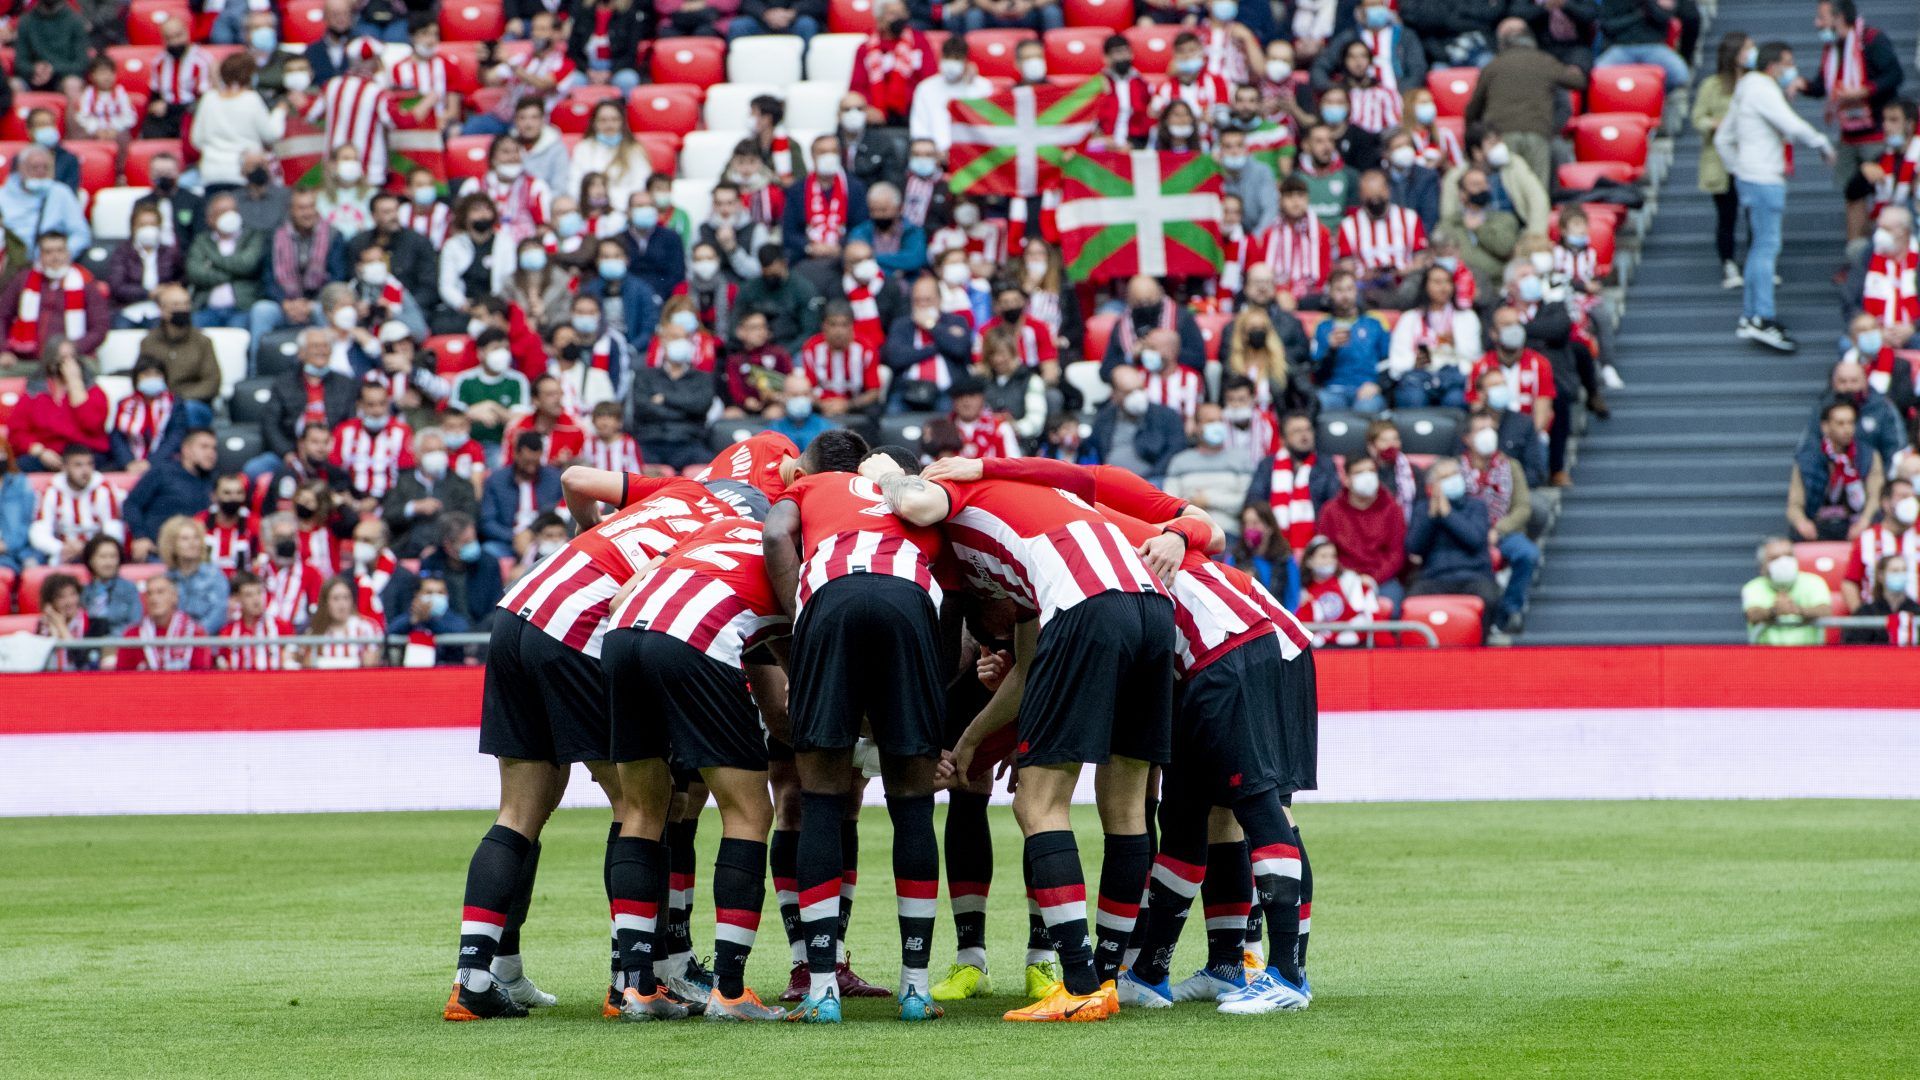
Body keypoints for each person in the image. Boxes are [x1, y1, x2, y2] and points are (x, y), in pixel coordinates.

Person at [446, 431, 816, 1022]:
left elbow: (574, 480)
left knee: (520, 810)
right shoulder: (755, 525)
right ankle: (633, 981)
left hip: (523, 606)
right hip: (590, 626)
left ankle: (483, 974)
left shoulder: (682, 489)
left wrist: (581, 535)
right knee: (644, 803)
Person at [881, 454, 1176, 1023]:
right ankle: (1109, 979)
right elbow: (1028, 662)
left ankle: (1081, 984)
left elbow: (916, 500)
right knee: (1127, 806)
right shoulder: (1025, 523)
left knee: (1036, 803)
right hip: (1152, 612)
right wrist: (972, 741)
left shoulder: (957, 495)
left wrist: (883, 475)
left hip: (1087, 606)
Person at [1716, 42, 1836, 353]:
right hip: (1764, 179)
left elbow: (1722, 138)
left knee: (1760, 246)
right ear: (1773, 67)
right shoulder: (1762, 88)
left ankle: (1750, 315)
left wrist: (1739, 168)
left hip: (1751, 177)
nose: (1791, 70)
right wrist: (1822, 143)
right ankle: (1763, 318)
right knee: (1767, 247)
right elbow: (1791, 125)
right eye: (1788, 63)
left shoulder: (1746, 88)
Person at [1804, 0, 1905, 255]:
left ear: (1839, 17)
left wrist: (1863, 91)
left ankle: (1887, 250)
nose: (1817, 24)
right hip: (1849, 135)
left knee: (1886, 192)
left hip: (1877, 132)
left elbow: (1894, 75)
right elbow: (1821, 86)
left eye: (1822, 17)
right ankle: (1857, 256)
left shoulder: (1870, 39)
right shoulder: (1833, 49)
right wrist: (1801, 85)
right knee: (1853, 192)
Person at [1463, 21, 1586, 185]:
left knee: (1507, 188)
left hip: (1502, 134)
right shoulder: (1545, 61)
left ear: (1504, 44)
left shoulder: (1493, 66)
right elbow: (1578, 82)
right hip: (1537, 132)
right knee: (1537, 188)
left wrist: (1474, 136)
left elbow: (1473, 109)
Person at [1405, 457, 1503, 638]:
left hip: (1474, 576)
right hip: (1434, 578)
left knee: (1489, 598)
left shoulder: (1476, 505)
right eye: (1444, 477)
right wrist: (1432, 517)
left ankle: (1482, 647)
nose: (1452, 480)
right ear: (1433, 486)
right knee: (1411, 602)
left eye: (1454, 474)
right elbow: (1415, 547)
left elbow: (1474, 539)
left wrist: (1447, 514)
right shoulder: (1423, 509)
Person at [1460, 411, 1537, 633]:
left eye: (1491, 430)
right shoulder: (1456, 468)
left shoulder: (1510, 466)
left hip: (1503, 532)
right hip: (1466, 535)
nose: (1488, 435)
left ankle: (1509, 611)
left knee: (1527, 554)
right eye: (1481, 430)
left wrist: (1498, 530)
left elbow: (1523, 507)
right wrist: (1473, 532)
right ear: (1467, 438)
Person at [1695, 33, 1754, 289]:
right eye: (1748, 48)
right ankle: (1729, 264)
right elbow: (1698, 118)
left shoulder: (1756, 83)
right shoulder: (1712, 85)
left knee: (1756, 215)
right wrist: (1717, 125)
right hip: (1721, 160)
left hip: (1752, 159)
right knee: (1727, 216)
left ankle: (1756, 264)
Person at [1316, 454, 1407, 613]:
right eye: (1360, 472)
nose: (1367, 477)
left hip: (1383, 580)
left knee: (1393, 609)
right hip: (1342, 577)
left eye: (1371, 471)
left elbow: (1396, 555)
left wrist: (1373, 579)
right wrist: (1351, 578)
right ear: (1347, 479)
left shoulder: (1392, 508)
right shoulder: (1330, 511)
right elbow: (1324, 552)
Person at [0, 232, 109, 363]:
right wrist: (4, 350)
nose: (55, 257)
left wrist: (74, 348)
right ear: (40, 256)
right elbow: (2, 315)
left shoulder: (85, 282)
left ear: (68, 253)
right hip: (25, 359)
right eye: (48, 252)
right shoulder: (23, 280)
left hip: (73, 358)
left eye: (60, 251)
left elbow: (99, 327)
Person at [1790, 399, 1883, 542]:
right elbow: (1794, 504)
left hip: (1855, 522)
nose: (1847, 429)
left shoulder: (1868, 456)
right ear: (1825, 427)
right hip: (1818, 523)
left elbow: (1875, 496)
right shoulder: (1808, 459)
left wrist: (1864, 522)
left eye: (1851, 422)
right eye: (1840, 423)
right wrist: (1802, 523)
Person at [192, 53, 285, 191]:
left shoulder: (208, 99)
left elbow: (196, 140)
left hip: (211, 173)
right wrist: (279, 112)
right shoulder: (251, 99)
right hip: (243, 173)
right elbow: (271, 135)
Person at [1162, 404, 1256, 536]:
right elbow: (1169, 504)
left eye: (1220, 421)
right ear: (1197, 426)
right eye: (1210, 421)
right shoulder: (1180, 461)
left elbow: (1244, 503)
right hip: (1187, 533)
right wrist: (1192, 504)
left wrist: (1208, 500)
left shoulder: (1241, 459)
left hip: (1228, 532)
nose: (1217, 425)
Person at [10, 346, 108, 470]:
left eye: (71, 358)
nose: (66, 364)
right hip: (46, 455)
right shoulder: (33, 394)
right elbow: (17, 432)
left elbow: (92, 425)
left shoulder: (94, 392)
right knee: (21, 465)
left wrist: (75, 384)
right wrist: (40, 452)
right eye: (61, 359)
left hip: (86, 455)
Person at [1310, 270, 1390, 413]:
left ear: (1356, 291)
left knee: (1366, 408)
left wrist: (1378, 386)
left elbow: (1389, 362)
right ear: (1330, 293)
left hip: (1367, 388)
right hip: (1333, 390)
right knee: (1319, 402)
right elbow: (1316, 372)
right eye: (1339, 290)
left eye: (1349, 289)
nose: (1345, 295)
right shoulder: (1322, 326)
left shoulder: (1375, 322)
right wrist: (1330, 349)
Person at [1090, 365, 1185, 484]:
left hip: (1153, 480)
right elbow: (1094, 451)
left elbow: (1174, 451)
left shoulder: (1167, 416)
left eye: (1140, 389)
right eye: (1128, 392)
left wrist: (1148, 479)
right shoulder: (1103, 419)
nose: (1137, 396)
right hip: (1111, 482)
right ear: (1114, 395)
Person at [849, 0, 936, 127]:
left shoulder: (919, 42)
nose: (899, 18)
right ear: (879, 18)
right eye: (893, 14)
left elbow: (930, 79)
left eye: (902, 13)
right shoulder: (865, 48)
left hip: (914, 112)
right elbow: (857, 87)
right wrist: (868, 109)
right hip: (876, 115)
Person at [185, 195, 267, 330]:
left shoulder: (252, 236)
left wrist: (212, 261)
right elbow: (195, 273)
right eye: (223, 212)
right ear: (210, 218)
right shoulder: (202, 241)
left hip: (241, 308)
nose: (230, 215)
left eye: (233, 211)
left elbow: (247, 265)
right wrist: (236, 272)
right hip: (206, 309)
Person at [479, 432, 563, 560]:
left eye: (535, 462)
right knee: (488, 551)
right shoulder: (496, 480)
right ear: (516, 455)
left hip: (545, 538)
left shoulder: (554, 479)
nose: (531, 469)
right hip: (507, 540)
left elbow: (558, 512)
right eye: (527, 462)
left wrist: (532, 534)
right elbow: (487, 521)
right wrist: (513, 536)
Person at [1841, 477, 1919, 613]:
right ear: (1885, 502)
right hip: (1877, 624)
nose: (1910, 502)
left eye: (1913, 497)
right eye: (1903, 496)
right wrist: (1863, 619)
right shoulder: (1867, 538)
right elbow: (1850, 582)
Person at [1742, 536, 1833, 645]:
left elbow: (1825, 610)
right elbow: (1752, 614)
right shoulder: (1753, 587)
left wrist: (1798, 610)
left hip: (1809, 655)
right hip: (1766, 657)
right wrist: (1774, 611)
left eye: (1789, 555)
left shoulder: (1814, 582)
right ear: (1762, 566)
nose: (1784, 562)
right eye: (1775, 558)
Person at [106, 207, 185, 331]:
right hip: (127, 308)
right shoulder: (122, 253)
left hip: (161, 309)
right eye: (142, 225)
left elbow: (181, 279)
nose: (148, 229)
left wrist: (167, 290)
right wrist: (148, 293)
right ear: (133, 228)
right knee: (121, 327)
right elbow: (117, 286)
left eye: (152, 224)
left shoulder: (170, 253)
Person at [910, 37, 994, 153]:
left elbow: (985, 126)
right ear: (941, 58)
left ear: (966, 61)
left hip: (972, 155)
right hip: (934, 155)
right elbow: (919, 128)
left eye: (957, 59)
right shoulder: (925, 88)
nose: (951, 63)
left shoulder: (982, 87)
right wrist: (933, 152)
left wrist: (969, 85)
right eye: (948, 57)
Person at [113, 575, 212, 672]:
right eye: (149, 593)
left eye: (160, 592)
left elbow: (202, 675)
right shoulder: (132, 635)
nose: (154, 598)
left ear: (174, 597)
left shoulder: (195, 632)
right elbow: (122, 679)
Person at [158, 514, 230, 632]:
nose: (192, 543)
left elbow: (218, 613)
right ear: (172, 544)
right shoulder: (167, 579)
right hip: (173, 641)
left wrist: (195, 636)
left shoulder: (214, 575)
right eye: (185, 539)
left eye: (196, 538)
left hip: (206, 642)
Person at [215, 571, 300, 671]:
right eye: (248, 595)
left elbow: (291, 662)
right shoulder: (227, 632)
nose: (256, 600)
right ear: (237, 599)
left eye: (259, 592)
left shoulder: (281, 627)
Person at [1227, 502, 1300, 608]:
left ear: (1269, 528)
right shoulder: (1235, 559)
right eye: (1246, 523)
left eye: (1255, 523)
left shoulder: (1285, 560)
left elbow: (1293, 600)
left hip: (1278, 621)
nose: (1249, 528)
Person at [305, 575, 384, 669]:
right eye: (336, 598)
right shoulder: (315, 631)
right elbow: (307, 665)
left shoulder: (367, 627)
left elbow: (371, 664)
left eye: (346, 598)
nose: (342, 605)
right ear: (326, 602)